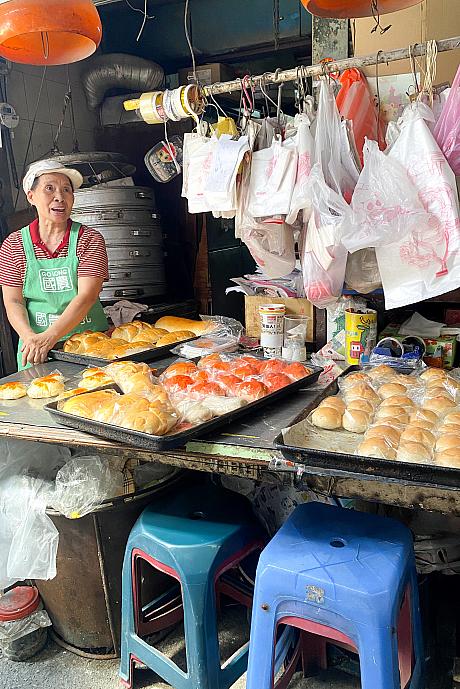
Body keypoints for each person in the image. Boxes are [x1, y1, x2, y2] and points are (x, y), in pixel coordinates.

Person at [0, 159, 109, 370]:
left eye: (66, 190)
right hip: (35, 351)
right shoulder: (14, 245)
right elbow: (13, 301)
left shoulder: (89, 239)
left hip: (90, 347)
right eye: (49, 188)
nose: (60, 197)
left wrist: (50, 336)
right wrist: (30, 338)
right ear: (31, 197)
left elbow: (87, 296)